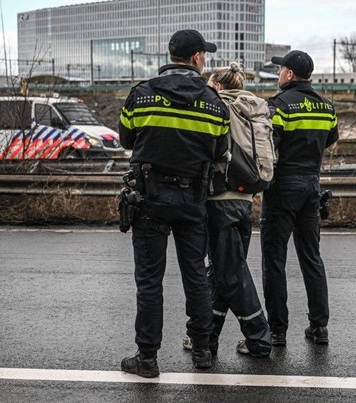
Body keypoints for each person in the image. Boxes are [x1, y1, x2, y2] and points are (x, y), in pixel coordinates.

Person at [118, 29, 229, 378]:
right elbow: (221, 151)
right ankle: (202, 352)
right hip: (193, 198)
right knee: (195, 274)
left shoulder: (141, 95)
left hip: (149, 197)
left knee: (149, 280)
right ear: (196, 58)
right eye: (204, 55)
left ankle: (147, 358)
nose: (205, 60)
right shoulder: (215, 103)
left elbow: (126, 139)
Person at [183, 63, 272, 358]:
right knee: (222, 271)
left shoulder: (219, 105)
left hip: (219, 199)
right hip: (245, 200)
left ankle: (260, 338)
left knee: (231, 273)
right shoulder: (254, 107)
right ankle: (206, 337)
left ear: (218, 86)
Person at [260, 50, 338, 347]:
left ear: (289, 74)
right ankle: (319, 328)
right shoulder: (326, 107)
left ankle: (277, 330)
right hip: (311, 187)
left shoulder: (278, 106)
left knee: (274, 259)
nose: (279, 73)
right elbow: (330, 138)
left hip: (282, 187)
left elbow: (269, 142)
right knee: (311, 258)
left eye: (281, 69)